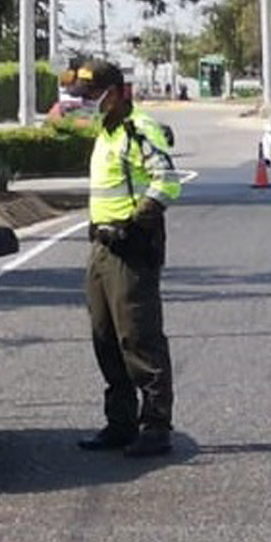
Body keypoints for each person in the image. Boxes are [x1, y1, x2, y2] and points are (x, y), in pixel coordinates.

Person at [68, 58, 182, 457]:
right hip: (101, 248)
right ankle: (120, 423)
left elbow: (167, 181)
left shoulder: (139, 129)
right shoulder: (107, 131)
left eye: (91, 96)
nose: (86, 104)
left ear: (114, 94)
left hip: (130, 248)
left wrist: (136, 223)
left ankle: (155, 427)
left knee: (138, 336)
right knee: (105, 338)